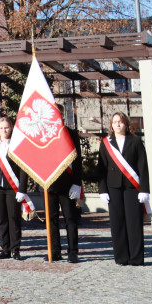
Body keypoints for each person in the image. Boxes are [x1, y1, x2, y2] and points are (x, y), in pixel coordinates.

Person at [99, 112, 149, 266]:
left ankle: (136, 258)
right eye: (115, 122)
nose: (118, 124)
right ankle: (121, 258)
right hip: (113, 187)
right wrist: (102, 190)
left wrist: (144, 189)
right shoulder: (105, 143)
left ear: (126, 124)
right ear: (111, 125)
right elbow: (101, 169)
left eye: (120, 121)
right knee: (117, 223)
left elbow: (143, 166)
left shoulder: (135, 141)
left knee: (134, 223)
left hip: (132, 188)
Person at [0, 116, 29, 260]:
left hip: (13, 188)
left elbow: (23, 169)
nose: (4, 130)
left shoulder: (17, 145)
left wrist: (22, 189)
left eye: (7, 127)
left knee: (13, 218)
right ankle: (5, 249)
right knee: (1, 219)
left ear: (11, 128)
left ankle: (15, 249)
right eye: (1, 128)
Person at [46, 105, 83, 263]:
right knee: (51, 219)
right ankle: (54, 250)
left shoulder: (71, 133)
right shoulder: (45, 134)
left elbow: (78, 160)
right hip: (50, 183)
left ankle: (73, 251)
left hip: (68, 184)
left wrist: (77, 183)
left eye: (59, 114)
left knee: (70, 219)